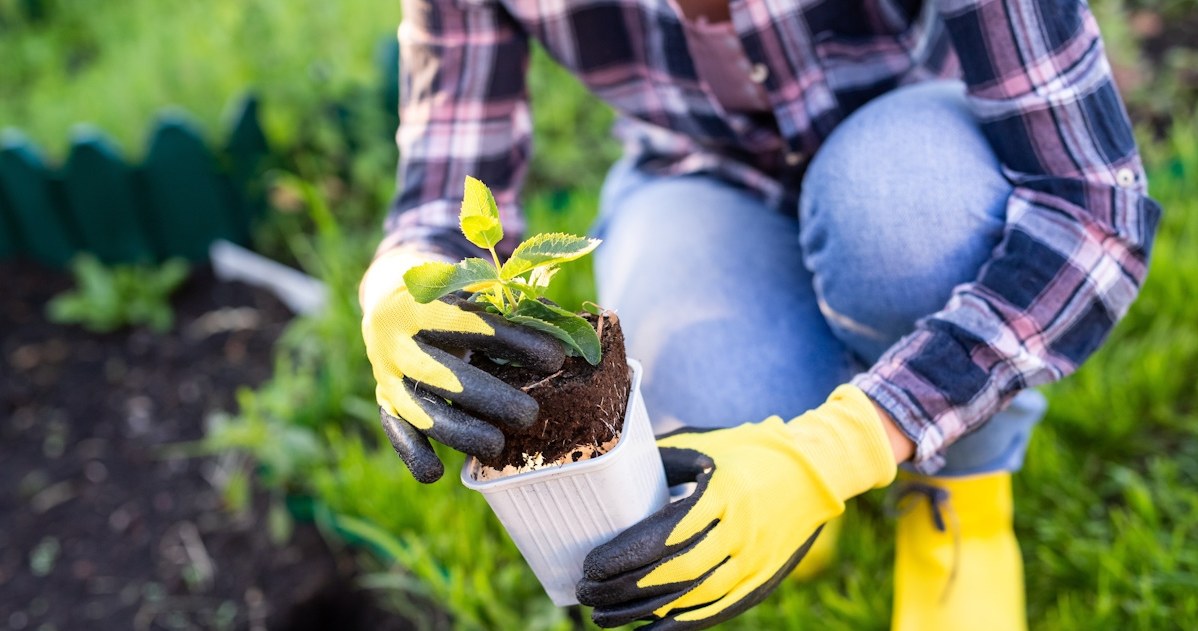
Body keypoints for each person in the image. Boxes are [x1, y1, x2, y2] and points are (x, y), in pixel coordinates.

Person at [359, 0, 1161, 627]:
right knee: (700, 407)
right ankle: (805, 465)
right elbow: (445, 179)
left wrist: (833, 452)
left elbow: (1093, 211)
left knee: (915, 214)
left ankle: (958, 496)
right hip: (704, 176)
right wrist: (396, 291)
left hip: (914, 154)